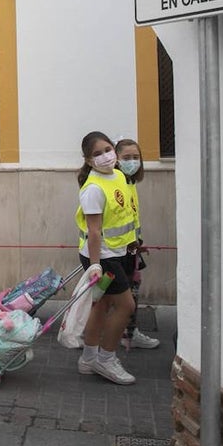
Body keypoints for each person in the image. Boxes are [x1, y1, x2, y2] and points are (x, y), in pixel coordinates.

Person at [74, 130, 139, 384]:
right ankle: (106, 359)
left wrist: (132, 241)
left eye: (108, 150)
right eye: (97, 154)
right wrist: (95, 265)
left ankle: (88, 358)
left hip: (117, 251)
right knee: (126, 306)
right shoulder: (93, 189)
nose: (105, 156)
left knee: (102, 305)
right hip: (102, 257)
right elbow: (94, 231)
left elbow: (123, 214)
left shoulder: (119, 176)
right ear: (89, 160)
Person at [114, 138, 160, 350]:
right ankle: (120, 336)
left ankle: (129, 333)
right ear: (116, 159)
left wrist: (137, 242)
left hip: (130, 249)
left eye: (135, 157)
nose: (132, 161)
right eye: (126, 157)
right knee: (123, 298)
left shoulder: (130, 182)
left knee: (131, 292)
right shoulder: (118, 183)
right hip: (118, 252)